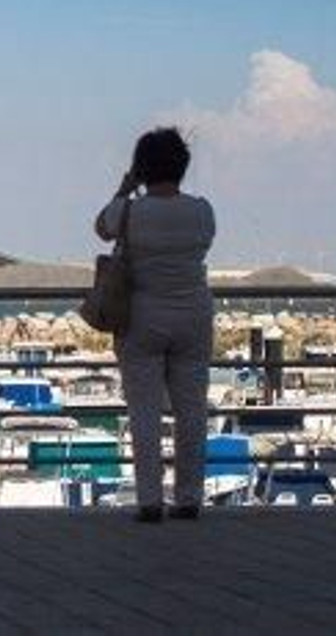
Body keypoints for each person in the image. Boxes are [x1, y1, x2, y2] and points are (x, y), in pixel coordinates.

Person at [95, 127, 215, 522]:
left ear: (141, 168)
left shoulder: (129, 211)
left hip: (142, 314)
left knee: (143, 410)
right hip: (194, 313)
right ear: (183, 166)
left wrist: (124, 188)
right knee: (192, 410)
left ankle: (149, 500)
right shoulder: (202, 211)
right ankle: (189, 497)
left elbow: (101, 227)